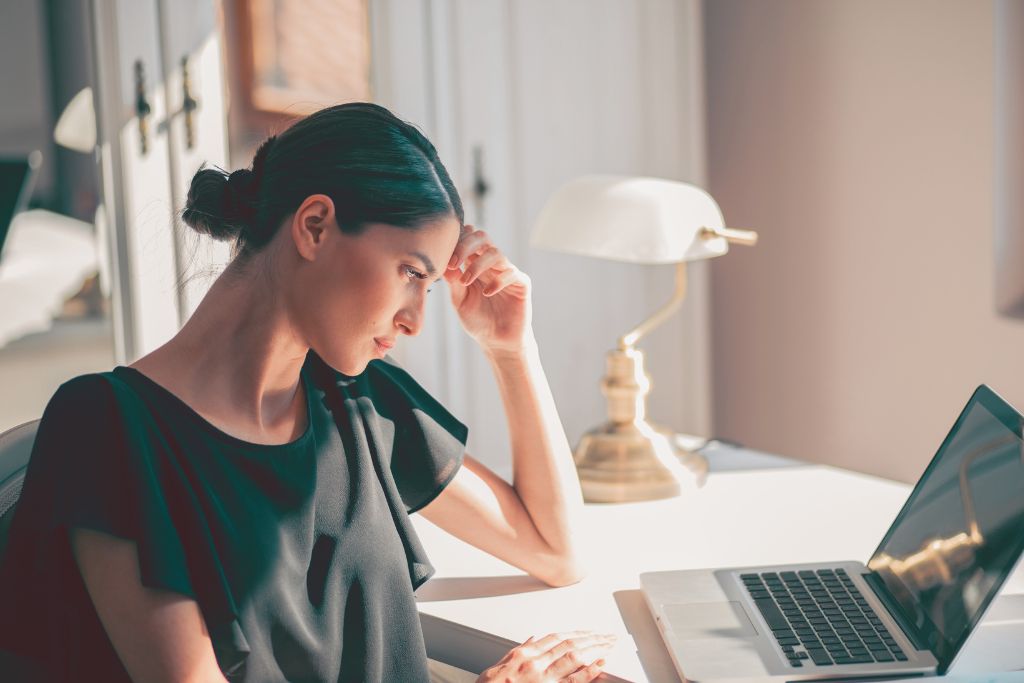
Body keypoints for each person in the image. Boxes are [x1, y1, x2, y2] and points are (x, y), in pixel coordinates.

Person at [0, 102, 615, 682]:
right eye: (410, 273)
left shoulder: (357, 399)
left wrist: (511, 349)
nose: (415, 320)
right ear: (316, 225)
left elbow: (554, 549)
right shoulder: (105, 428)